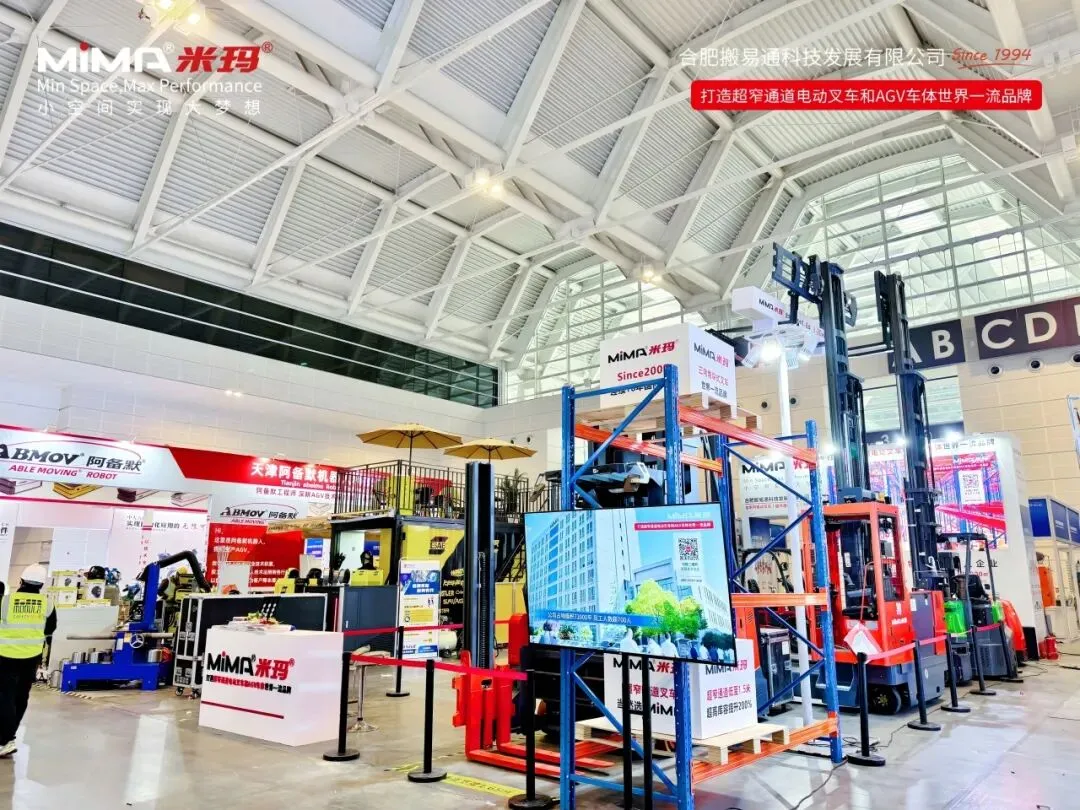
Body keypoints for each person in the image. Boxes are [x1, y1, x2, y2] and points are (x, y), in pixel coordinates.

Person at [0, 565, 55, 758]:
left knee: (5, 697)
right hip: (31, 658)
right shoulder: (47, 604)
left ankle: (6, 739)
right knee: (21, 697)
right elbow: (50, 630)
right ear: (41, 585)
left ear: (21, 581)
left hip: (6, 656)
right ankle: (8, 737)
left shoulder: (6, 601)